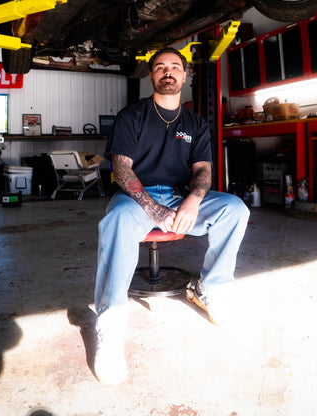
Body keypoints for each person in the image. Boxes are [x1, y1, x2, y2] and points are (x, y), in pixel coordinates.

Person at [94, 47, 250, 384]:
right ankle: (110, 323)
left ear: (186, 75)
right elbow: (121, 170)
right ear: (151, 75)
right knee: (116, 221)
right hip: (136, 199)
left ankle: (213, 291)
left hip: (180, 196)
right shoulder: (131, 116)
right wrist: (154, 209)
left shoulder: (195, 123)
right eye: (160, 67)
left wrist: (193, 200)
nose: (168, 72)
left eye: (175, 67)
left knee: (235, 209)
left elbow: (203, 170)